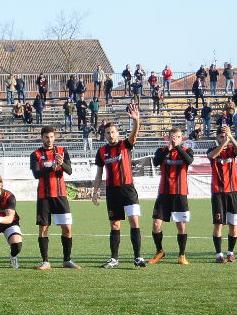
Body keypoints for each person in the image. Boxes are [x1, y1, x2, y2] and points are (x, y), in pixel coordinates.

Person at [90, 104, 146, 268]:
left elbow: (134, 134)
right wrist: (95, 192)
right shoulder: (101, 151)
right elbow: (99, 173)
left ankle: (138, 257)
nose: (110, 135)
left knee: (134, 221)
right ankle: (114, 258)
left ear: (118, 133)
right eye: (108, 133)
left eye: (113, 132)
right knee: (114, 224)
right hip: (112, 191)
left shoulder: (125, 145)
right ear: (104, 135)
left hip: (128, 189)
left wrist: (136, 121)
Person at [29, 126, 77, 269]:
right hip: (44, 196)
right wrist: (52, 167)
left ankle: (67, 260)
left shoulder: (62, 151)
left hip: (61, 195)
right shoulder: (35, 154)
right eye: (46, 137)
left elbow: (69, 171)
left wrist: (61, 164)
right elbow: (36, 174)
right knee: (43, 228)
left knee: (67, 228)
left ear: (54, 137)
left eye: (51, 137)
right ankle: (45, 261)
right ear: (42, 138)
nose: (49, 140)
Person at [149, 127, 194, 264]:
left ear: (182, 138)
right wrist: (169, 149)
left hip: (180, 193)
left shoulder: (187, 151)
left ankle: (181, 255)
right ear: (168, 137)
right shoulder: (162, 151)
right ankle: (159, 251)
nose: (176, 139)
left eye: (178, 137)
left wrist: (177, 147)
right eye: (173, 137)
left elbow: (189, 161)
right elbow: (156, 162)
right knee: (156, 224)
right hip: (164, 193)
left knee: (181, 225)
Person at [208, 124, 237, 263]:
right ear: (216, 138)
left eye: (225, 136)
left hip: (233, 191)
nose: (223, 139)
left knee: (233, 224)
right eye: (221, 137)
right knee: (218, 224)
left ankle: (231, 252)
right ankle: (219, 255)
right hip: (218, 192)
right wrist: (224, 143)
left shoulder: (231, 151)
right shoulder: (212, 149)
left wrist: (231, 138)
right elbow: (212, 156)